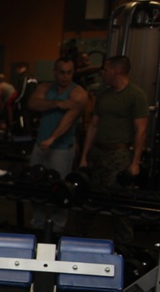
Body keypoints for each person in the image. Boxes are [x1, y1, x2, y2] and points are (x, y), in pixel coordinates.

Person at [78, 55, 149, 241]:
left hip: (119, 154)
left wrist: (135, 162)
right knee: (87, 201)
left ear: (116, 71)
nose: (102, 73)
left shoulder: (135, 95)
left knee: (119, 205)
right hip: (97, 153)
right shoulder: (103, 94)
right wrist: (84, 156)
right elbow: (93, 125)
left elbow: (141, 130)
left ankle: (125, 247)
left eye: (106, 70)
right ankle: (77, 242)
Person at [26, 57, 89, 237]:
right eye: (62, 72)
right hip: (41, 144)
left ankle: (57, 228)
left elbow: (68, 121)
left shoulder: (78, 93)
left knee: (60, 189)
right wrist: (57, 104)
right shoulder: (45, 88)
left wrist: (52, 139)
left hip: (61, 147)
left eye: (69, 72)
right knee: (36, 185)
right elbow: (33, 103)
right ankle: (37, 224)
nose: (65, 76)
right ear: (55, 72)